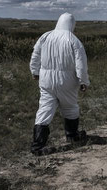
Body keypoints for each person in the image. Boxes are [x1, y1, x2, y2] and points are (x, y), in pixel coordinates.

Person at [29, 12, 90, 155]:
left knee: (45, 109)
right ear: (72, 24)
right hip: (67, 80)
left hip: (46, 79)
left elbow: (35, 55)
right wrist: (83, 81)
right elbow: (81, 64)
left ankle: (37, 146)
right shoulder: (73, 40)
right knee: (70, 107)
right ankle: (72, 136)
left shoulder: (45, 36)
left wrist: (35, 71)